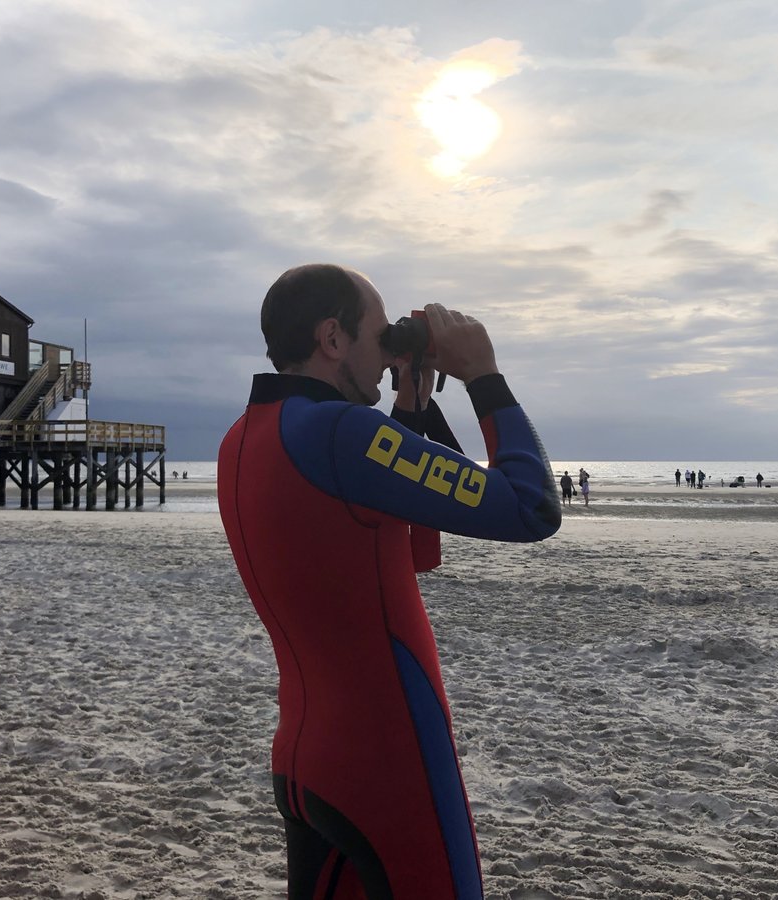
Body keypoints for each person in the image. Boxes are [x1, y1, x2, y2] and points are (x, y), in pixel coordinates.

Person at [217, 264, 561, 898]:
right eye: (380, 337)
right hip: (387, 759)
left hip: (305, 757)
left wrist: (410, 404)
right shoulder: (344, 434)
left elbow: (383, 539)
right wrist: (484, 375)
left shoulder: (244, 437)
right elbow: (532, 508)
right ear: (332, 338)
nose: (385, 355)